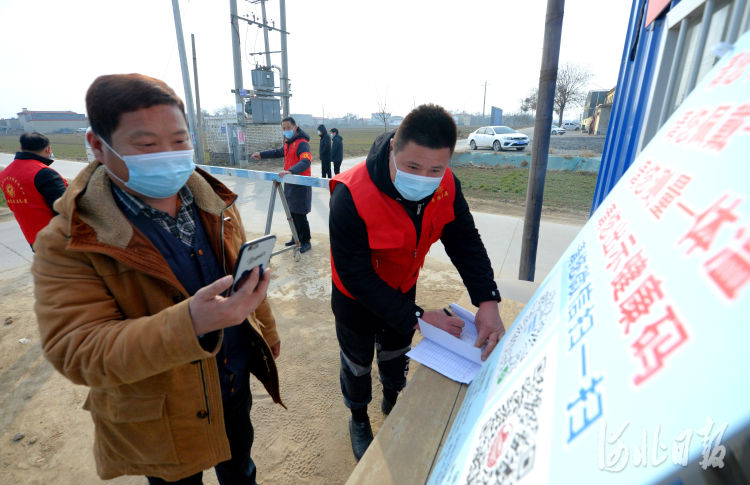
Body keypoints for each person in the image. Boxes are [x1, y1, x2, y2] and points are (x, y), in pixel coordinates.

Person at [32, 73, 283, 484]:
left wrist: (267, 333)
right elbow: (78, 352)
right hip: (162, 415)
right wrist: (192, 324)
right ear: (98, 145)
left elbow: (246, 279)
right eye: (146, 145)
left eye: (180, 141)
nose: (167, 154)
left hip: (232, 387)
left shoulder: (214, 202)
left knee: (241, 471)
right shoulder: (69, 240)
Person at [329, 104, 504, 460]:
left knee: (396, 354)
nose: (424, 177)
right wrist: (421, 315)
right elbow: (356, 276)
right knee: (357, 364)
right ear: (393, 147)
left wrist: (487, 300)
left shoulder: (447, 186)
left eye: (435, 170)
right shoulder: (351, 194)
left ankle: (393, 400)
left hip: (402, 289)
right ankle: (359, 416)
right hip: (355, 301)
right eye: (412, 167)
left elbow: (465, 240)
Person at [251, 117, 313, 254]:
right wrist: (261, 154)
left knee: (300, 214)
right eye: (284, 128)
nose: (286, 131)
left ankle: (306, 241)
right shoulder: (288, 143)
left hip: (301, 183)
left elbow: (306, 161)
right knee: (291, 212)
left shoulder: (302, 143)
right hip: (289, 182)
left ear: (295, 127)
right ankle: (295, 237)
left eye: (288, 128)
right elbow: (278, 152)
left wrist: (291, 171)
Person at [0, 132, 67, 247]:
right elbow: (65, 209)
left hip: (34, 240)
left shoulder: (4, 174)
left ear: (21, 148)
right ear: (48, 149)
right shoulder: (44, 173)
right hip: (58, 241)